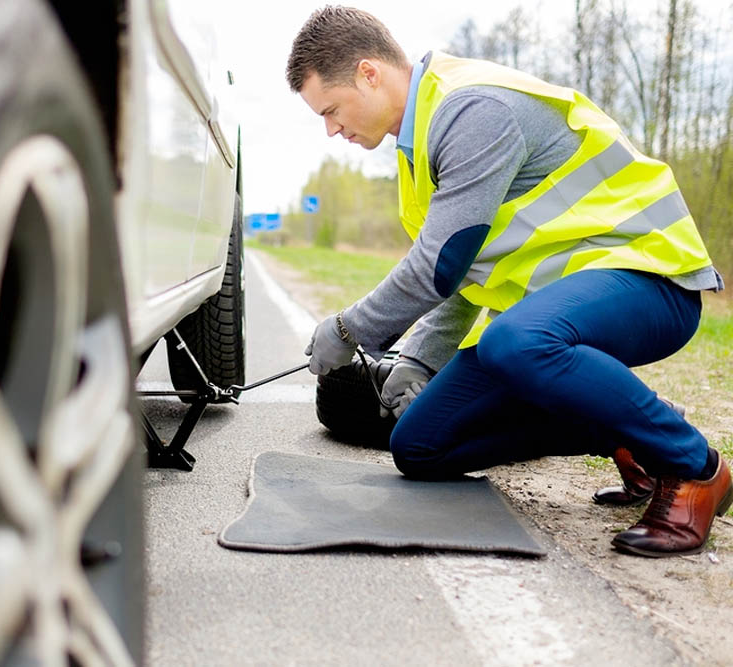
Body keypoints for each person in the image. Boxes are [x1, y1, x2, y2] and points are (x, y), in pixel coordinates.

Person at [287, 5, 731, 558]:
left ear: (368, 74)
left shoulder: (472, 108)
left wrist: (351, 330)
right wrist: (419, 361)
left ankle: (694, 467)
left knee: (513, 342)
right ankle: (625, 430)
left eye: (329, 109)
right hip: (555, 314)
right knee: (419, 446)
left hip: (650, 279)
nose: (331, 129)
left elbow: (439, 263)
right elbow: (465, 272)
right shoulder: (418, 148)